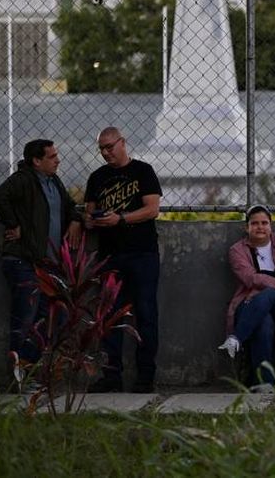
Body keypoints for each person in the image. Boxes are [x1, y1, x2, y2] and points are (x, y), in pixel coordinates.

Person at [0, 139, 82, 389]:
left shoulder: (54, 181)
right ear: (36, 161)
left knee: (55, 315)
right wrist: (13, 224)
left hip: (46, 264)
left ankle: (26, 367)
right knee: (25, 317)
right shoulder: (24, 179)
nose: (57, 160)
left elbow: (70, 206)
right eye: (51, 157)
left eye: (56, 155)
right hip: (23, 260)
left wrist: (75, 220)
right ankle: (17, 377)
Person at [85, 127, 163, 394]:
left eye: (110, 147)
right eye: (101, 149)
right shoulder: (97, 177)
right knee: (109, 316)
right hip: (110, 256)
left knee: (146, 314)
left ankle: (145, 376)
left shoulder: (143, 171)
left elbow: (152, 209)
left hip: (143, 253)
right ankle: (111, 376)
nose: (106, 153)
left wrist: (120, 219)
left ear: (122, 143)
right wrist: (90, 220)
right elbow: (89, 213)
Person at [219, 205, 275, 392]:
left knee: (269, 294)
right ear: (246, 227)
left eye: (264, 223)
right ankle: (265, 383)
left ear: (271, 226)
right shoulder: (237, 250)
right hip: (249, 303)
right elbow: (250, 278)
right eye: (255, 223)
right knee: (264, 321)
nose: (260, 227)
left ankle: (236, 338)